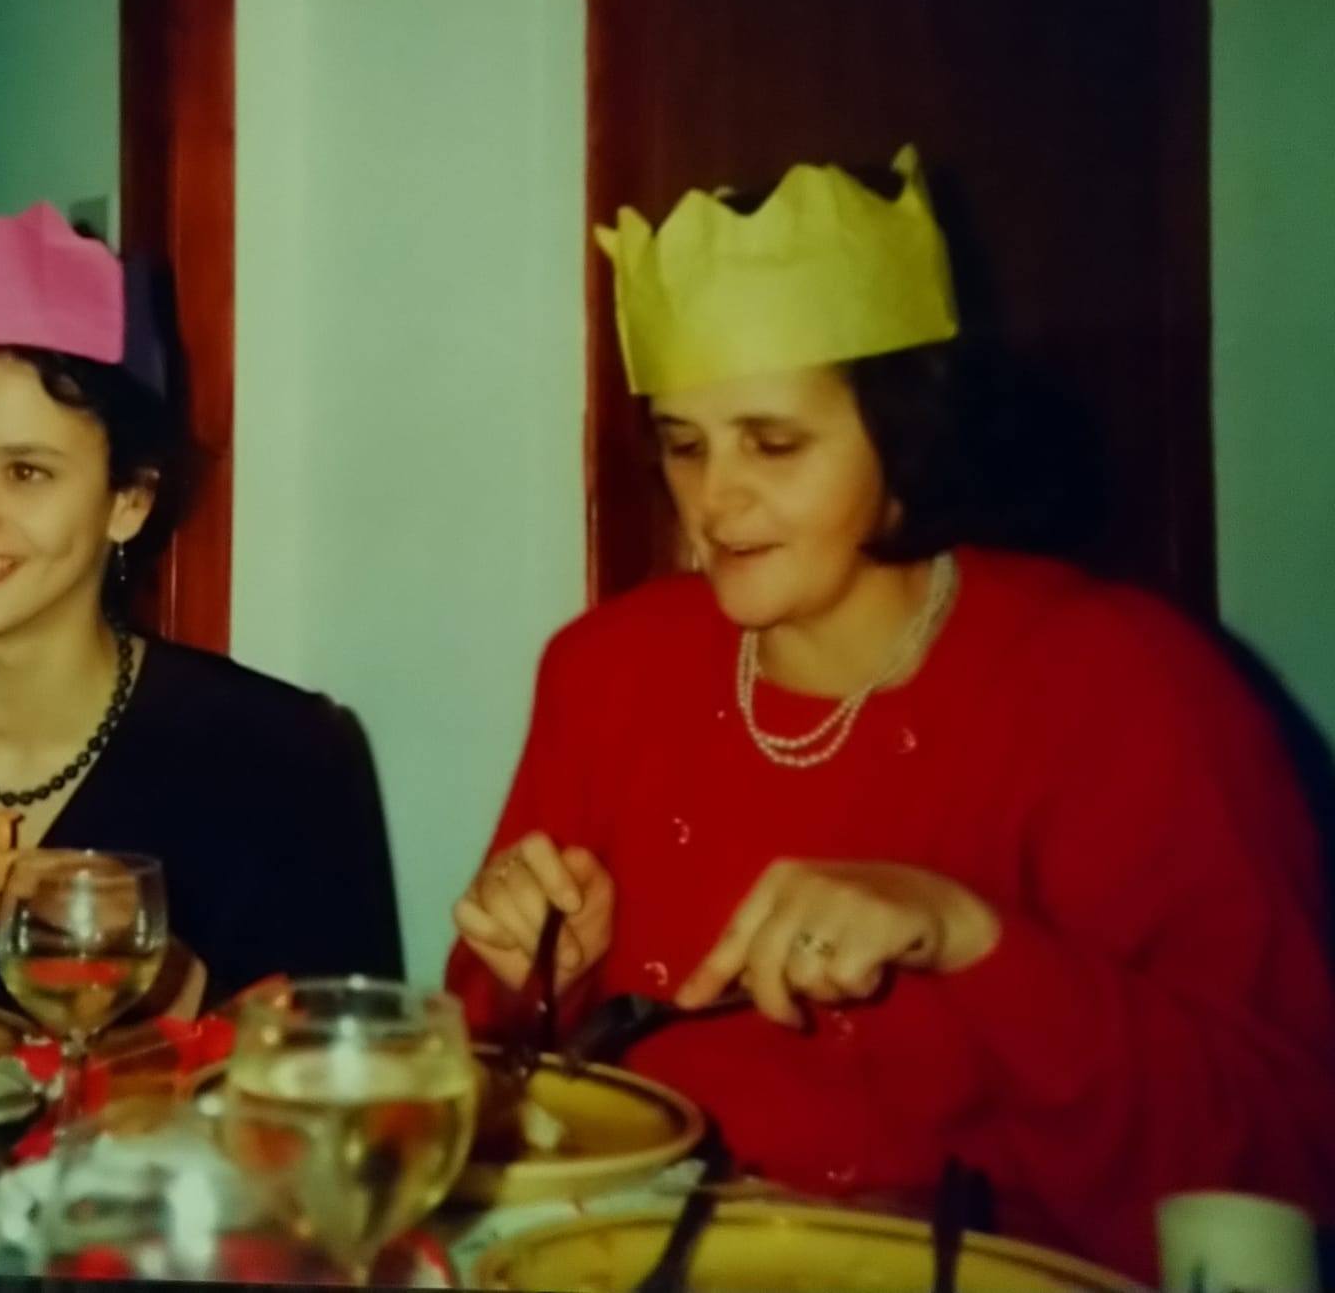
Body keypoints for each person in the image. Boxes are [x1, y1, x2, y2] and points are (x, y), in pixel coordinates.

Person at [444, 146, 1335, 1281]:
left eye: (774, 442)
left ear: (906, 444)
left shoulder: (1125, 683)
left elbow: (1288, 1142)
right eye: (683, 445)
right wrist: (530, 961)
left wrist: (969, 936)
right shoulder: (606, 665)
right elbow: (489, 1091)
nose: (714, 498)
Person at [0, 202, 402, 1013]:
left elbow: (354, 1100)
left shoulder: (284, 759)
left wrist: (171, 988)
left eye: (25, 472)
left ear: (128, 500)